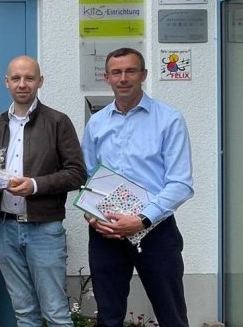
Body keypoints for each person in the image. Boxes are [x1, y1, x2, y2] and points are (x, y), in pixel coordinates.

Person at [82, 47, 194, 327]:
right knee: (108, 317)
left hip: (155, 231)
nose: (123, 78)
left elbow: (181, 183)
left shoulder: (169, 119)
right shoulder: (96, 123)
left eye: (130, 71)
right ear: (106, 78)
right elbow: (87, 176)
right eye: (116, 72)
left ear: (143, 74)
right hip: (105, 232)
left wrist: (141, 220)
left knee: (172, 315)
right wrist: (90, 213)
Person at [0, 56, 86, 326]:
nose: (22, 84)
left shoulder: (58, 122)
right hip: (4, 229)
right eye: (16, 78)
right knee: (24, 313)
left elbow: (77, 173)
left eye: (29, 78)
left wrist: (35, 185)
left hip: (44, 230)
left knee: (56, 312)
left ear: (40, 81)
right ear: (7, 82)